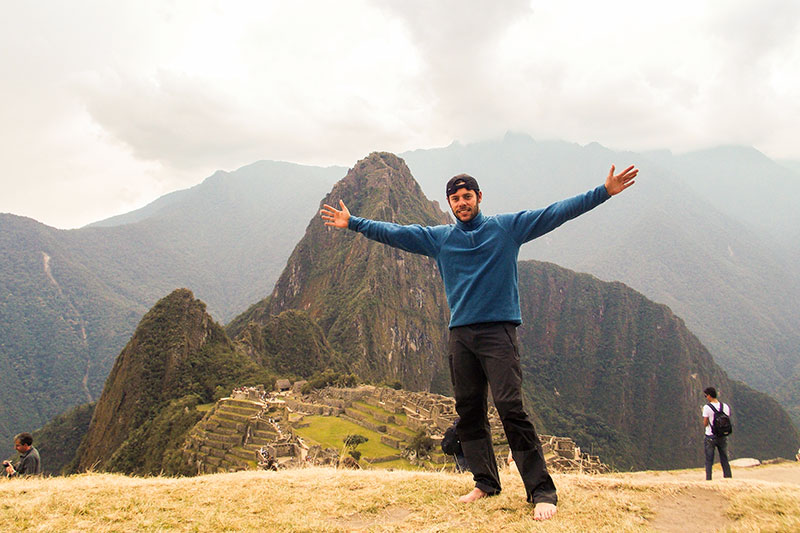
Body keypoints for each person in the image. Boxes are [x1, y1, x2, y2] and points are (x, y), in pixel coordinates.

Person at [321, 164, 637, 521]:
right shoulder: (439, 238)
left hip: (498, 333)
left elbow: (555, 213)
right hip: (461, 335)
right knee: (468, 410)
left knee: (510, 408)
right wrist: (355, 223)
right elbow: (396, 233)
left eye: (467, 196)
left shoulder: (506, 229)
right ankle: (485, 482)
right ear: (450, 203)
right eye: (455, 199)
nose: (461, 203)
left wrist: (604, 191)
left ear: (479, 197)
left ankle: (541, 491)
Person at [702, 387, 732, 480]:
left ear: (709, 396)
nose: (706, 397)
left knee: (709, 459)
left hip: (710, 436)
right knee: (724, 458)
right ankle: (728, 478)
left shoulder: (707, 407)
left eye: (706, 395)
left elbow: (705, 423)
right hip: (723, 436)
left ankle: (709, 479)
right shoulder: (725, 406)